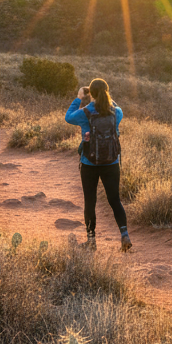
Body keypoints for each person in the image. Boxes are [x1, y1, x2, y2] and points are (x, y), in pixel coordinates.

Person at [65, 78, 132, 252]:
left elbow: (68, 117)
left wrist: (79, 97)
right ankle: (124, 235)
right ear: (107, 92)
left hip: (89, 163)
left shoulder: (84, 113)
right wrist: (107, 97)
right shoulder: (116, 112)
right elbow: (115, 106)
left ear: (91, 94)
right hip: (112, 162)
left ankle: (91, 240)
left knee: (90, 201)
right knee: (114, 200)